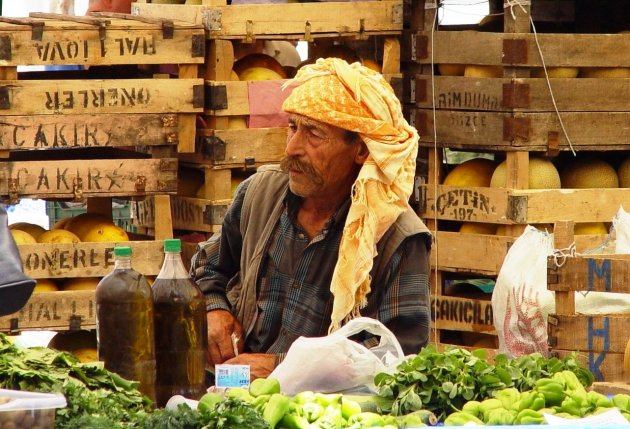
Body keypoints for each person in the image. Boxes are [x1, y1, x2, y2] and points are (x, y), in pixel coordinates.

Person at [190, 58, 432, 380]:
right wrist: (214, 308)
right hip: (233, 391)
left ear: (361, 151)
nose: (292, 148)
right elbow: (208, 267)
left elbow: (397, 355)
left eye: (314, 134)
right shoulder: (259, 194)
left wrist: (280, 368)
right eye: (293, 127)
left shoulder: (396, 236)